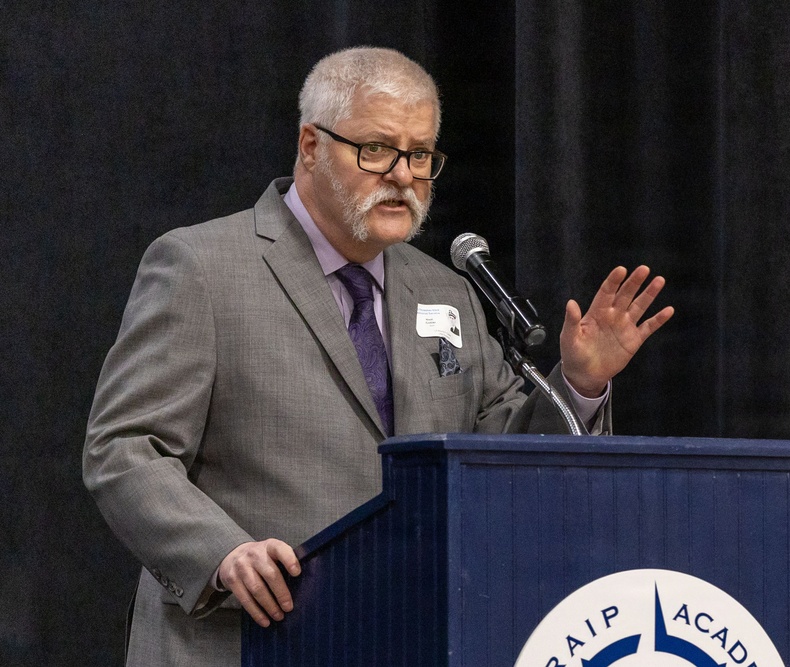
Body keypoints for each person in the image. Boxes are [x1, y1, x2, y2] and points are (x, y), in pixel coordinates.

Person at [82, 47, 674, 666]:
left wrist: (578, 382)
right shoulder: (201, 268)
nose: (403, 175)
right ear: (310, 146)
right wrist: (222, 553)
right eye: (377, 149)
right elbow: (124, 448)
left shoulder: (447, 289)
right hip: (244, 642)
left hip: (404, 637)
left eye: (421, 155)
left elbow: (502, 453)